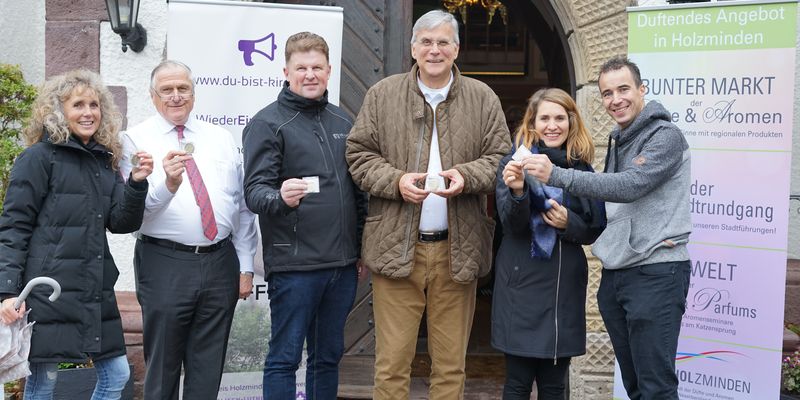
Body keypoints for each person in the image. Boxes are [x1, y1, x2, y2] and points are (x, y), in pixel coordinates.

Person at [346, 10, 511, 399]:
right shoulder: (383, 94)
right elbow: (359, 154)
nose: (434, 50)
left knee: (451, 368)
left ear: (456, 48)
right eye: (426, 42)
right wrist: (396, 181)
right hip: (396, 248)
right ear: (413, 48)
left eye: (442, 42)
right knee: (391, 366)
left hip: (458, 250)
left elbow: (502, 158)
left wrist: (467, 176)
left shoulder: (482, 97)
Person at [525, 57, 691, 400]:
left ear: (642, 90)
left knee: (656, 387)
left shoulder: (666, 136)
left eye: (623, 89)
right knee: (636, 387)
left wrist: (555, 175)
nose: (616, 99)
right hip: (619, 274)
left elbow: (629, 185)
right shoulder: (620, 138)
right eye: (607, 93)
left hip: (657, 272)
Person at [0, 69, 153, 399]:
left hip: (94, 288)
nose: (88, 113)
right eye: (78, 105)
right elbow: (15, 226)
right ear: (59, 112)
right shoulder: (38, 158)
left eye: (94, 105)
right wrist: (7, 292)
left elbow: (119, 222)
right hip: (47, 291)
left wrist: (137, 183)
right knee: (45, 381)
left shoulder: (103, 160)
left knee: (116, 375)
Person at [120, 60, 258, 400]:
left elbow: (240, 206)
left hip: (220, 262)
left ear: (194, 95)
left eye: (183, 88)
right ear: (153, 97)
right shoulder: (134, 140)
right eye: (167, 90)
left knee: (208, 366)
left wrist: (245, 265)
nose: (176, 96)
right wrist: (167, 183)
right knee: (163, 365)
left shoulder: (220, 138)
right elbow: (132, 214)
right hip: (164, 260)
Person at [241, 32, 367, 400]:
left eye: (316, 67)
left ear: (329, 72)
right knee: (284, 359)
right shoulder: (267, 123)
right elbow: (254, 192)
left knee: (327, 359)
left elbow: (358, 193)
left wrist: (361, 249)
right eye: (301, 68)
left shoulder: (344, 120)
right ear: (286, 71)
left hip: (341, 266)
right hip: (295, 267)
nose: (309, 74)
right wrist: (278, 196)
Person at [491, 88, 605, 400]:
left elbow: (595, 228)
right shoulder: (512, 164)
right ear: (532, 123)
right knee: (517, 384)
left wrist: (570, 223)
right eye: (545, 118)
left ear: (571, 122)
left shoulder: (581, 170)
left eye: (559, 118)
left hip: (562, 287)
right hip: (520, 283)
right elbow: (510, 225)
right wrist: (517, 192)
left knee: (555, 386)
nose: (552, 125)